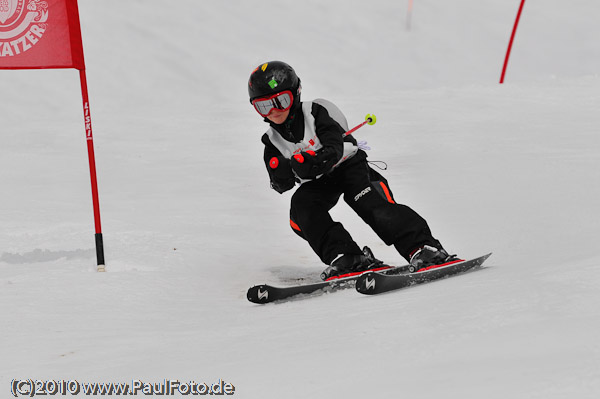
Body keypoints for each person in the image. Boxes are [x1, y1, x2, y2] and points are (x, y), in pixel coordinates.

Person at [248, 61, 457, 280]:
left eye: (281, 101)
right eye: (263, 106)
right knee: (301, 210)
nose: (273, 111)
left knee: (367, 201)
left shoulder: (315, 112)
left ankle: (423, 247)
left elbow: (335, 145)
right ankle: (346, 256)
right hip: (318, 182)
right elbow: (281, 184)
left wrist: (317, 160)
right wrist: (286, 170)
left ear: (296, 93)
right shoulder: (271, 140)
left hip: (348, 166)